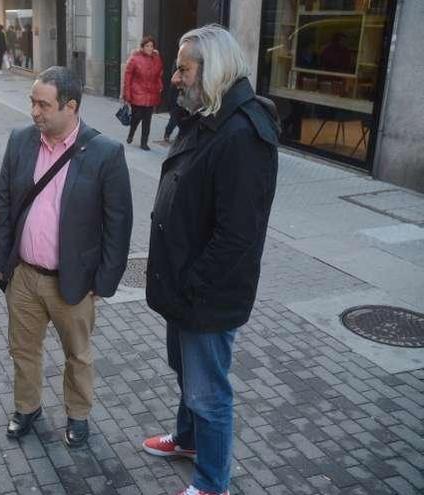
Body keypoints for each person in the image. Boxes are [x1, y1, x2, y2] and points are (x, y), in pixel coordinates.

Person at [143, 25, 279, 495]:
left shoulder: (243, 134)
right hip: (184, 288)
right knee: (187, 375)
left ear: (213, 70)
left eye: (183, 68)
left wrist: (193, 285)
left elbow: (238, 235)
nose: (174, 78)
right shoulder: (207, 115)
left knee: (208, 392)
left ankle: (211, 482)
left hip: (206, 295)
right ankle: (186, 440)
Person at [0, 66, 133, 447]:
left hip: (73, 282)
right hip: (24, 276)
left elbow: (118, 226)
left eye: (44, 104)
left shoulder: (105, 152)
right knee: (22, 350)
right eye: (32, 102)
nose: (34, 111)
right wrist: (2, 266)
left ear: (70, 106)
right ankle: (27, 407)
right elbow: (5, 202)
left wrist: (103, 283)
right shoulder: (20, 141)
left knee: (78, 355)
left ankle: (78, 415)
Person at [122, 35, 163, 150]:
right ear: (142, 47)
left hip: (151, 94)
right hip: (137, 93)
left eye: (151, 46)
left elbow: (159, 74)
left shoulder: (157, 58)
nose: (150, 48)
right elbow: (128, 77)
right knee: (136, 117)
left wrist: (160, 85)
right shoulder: (135, 59)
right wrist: (127, 94)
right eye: (147, 46)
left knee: (147, 120)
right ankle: (131, 133)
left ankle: (144, 142)